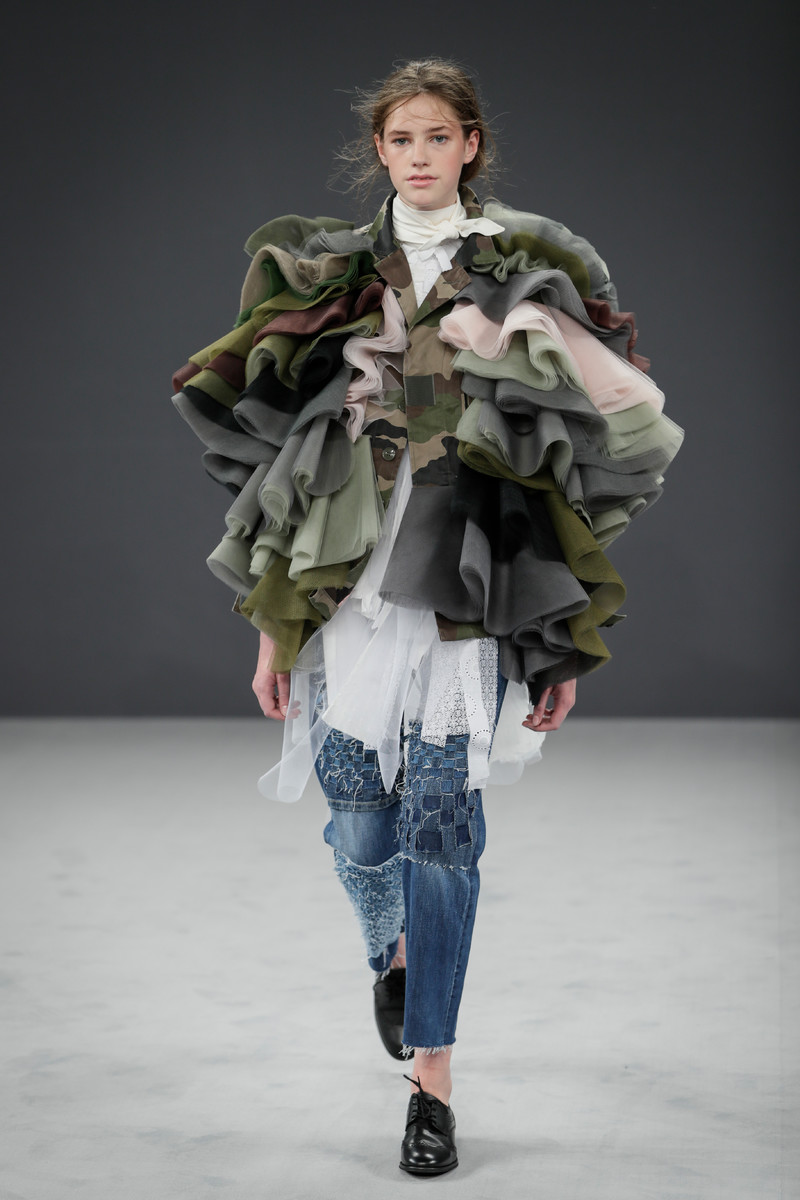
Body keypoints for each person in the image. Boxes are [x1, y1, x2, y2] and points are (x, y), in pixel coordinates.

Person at [172, 58, 681, 1176]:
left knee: (443, 835)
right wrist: (273, 626)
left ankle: (432, 1083)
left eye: (438, 136)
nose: (418, 155)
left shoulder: (522, 274)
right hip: (349, 585)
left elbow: (578, 458)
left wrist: (554, 644)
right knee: (362, 827)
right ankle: (391, 959)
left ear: (469, 145)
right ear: (380, 150)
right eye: (400, 138)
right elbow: (286, 471)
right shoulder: (333, 274)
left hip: (469, 584)